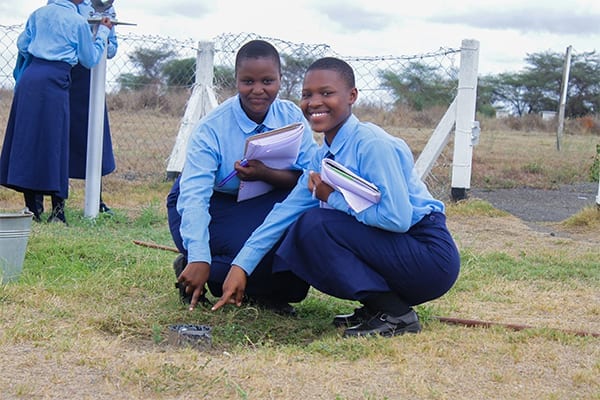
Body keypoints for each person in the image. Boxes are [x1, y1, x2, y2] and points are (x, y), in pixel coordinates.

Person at [209, 57, 461, 338]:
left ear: (351, 96)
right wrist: (240, 266)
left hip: (428, 254)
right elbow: (283, 213)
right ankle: (376, 308)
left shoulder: (372, 145)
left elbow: (397, 219)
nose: (314, 102)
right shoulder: (322, 157)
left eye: (326, 93)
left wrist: (332, 198)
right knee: (301, 224)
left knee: (316, 225)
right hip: (399, 250)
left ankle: (396, 314)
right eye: (307, 95)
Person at [170, 40, 318, 315]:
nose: (258, 90)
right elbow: (194, 196)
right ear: (236, 80)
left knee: (297, 242)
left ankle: (252, 287)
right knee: (249, 247)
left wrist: (265, 174)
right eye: (247, 81)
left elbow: (307, 178)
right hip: (216, 202)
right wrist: (200, 253)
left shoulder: (292, 116)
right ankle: (195, 265)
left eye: (267, 81)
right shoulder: (212, 128)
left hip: (263, 199)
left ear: (280, 80)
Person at [0, 0, 113, 224]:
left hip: (30, 78)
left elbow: (23, 45)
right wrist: (103, 33)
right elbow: (89, 58)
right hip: (55, 79)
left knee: (28, 142)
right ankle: (57, 211)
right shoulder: (78, 22)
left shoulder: (38, 14)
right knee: (55, 143)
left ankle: (33, 209)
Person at [41, 0, 118, 214]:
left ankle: (96, 201)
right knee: (60, 136)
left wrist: (97, 40)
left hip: (91, 78)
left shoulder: (108, 7)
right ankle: (58, 205)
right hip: (65, 72)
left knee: (94, 138)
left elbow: (111, 49)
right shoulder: (61, 4)